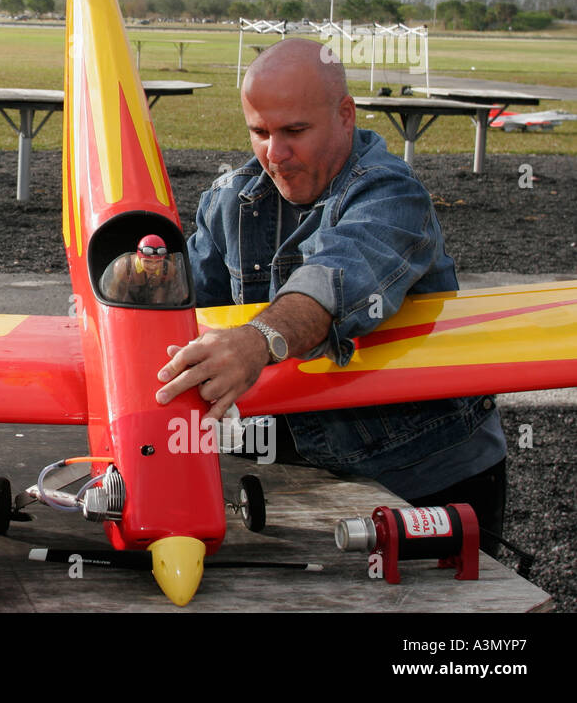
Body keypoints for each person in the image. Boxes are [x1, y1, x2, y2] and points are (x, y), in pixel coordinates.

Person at [156, 38, 507, 548]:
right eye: (260, 132)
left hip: (424, 478)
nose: (275, 154)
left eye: (295, 131)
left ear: (346, 115)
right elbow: (184, 314)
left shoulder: (392, 194)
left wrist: (257, 341)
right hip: (287, 474)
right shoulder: (229, 200)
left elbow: (336, 278)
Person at [100, 234, 186, 305]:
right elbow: (113, 295)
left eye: (158, 261)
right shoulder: (123, 268)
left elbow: (173, 296)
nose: (153, 266)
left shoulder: (168, 270)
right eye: (147, 261)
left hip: (154, 297)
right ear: (139, 257)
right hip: (128, 299)